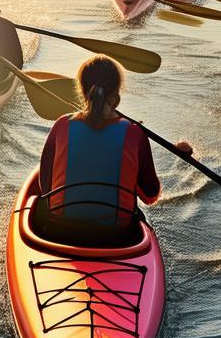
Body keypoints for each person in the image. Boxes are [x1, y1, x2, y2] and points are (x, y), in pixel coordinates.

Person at [37, 55, 191, 241]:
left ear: (83, 91)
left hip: (60, 231)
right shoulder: (134, 133)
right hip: (116, 237)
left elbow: (45, 189)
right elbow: (150, 196)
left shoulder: (62, 125)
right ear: (116, 95)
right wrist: (174, 153)